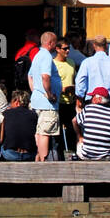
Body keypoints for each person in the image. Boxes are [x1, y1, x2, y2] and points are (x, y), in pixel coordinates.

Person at [28, 31, 63, 161]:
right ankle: (42, 162)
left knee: (39, 132)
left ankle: (38, 157)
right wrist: (49, 94)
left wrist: (35, 91)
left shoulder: (37, 55)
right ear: (50, 43)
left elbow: (30, 76)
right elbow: (45, 76)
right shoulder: (47, 56)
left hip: (37, 100)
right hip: (47, 104)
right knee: (45, 133)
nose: (56, 46)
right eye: (55, 43)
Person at [74, 88, 110, 160]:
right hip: (109, 157)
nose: (91, 100)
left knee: (80, 142)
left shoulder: (88, 108)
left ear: (99, 99)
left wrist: (80, 137)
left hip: (87, 155)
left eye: (92, 97)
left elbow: (74, 121)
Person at [0, 90, 38, 161]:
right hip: (30, 154)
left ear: (16, 101)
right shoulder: (34, 115)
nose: (10, 104)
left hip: (10, 154)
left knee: (1, 146)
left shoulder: (6, 114)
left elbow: (1, 137)